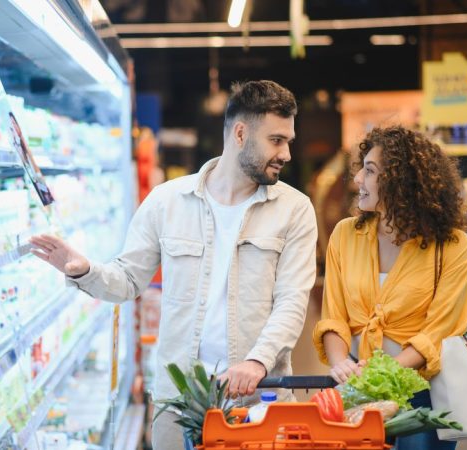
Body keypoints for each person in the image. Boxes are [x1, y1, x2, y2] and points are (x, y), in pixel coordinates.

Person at [31, 80, 318, 450]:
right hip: (179, 401)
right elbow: (128, 280)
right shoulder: (167, 202)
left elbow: (293, 301)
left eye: (288, 141)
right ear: (241, 134)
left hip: (258, 397)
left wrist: (257, 363)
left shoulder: (294, 210)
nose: (287, 154)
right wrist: (85, 270)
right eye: (277, 140)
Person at [313, 125, 467, 450]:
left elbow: (438, 333)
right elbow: (334, 316)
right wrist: (341, 363)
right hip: (359, 391)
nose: (357, 179)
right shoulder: (345, 236)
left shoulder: (452, 246)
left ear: (402, 183)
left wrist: (379, 372)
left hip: (424, 393)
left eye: (370, 171)